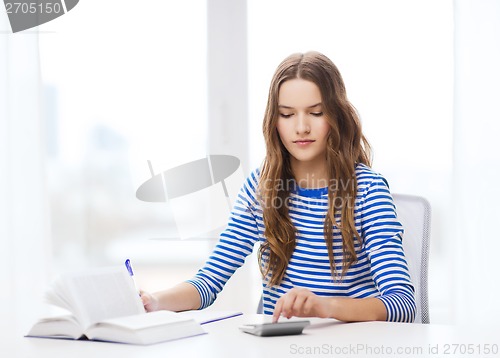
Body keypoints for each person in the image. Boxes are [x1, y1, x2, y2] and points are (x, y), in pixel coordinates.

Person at [141, 51, 416, 323]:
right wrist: (154, 302)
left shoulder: (367, 190)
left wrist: (325, 307)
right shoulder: (261, 188)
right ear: (274, 122)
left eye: (316, 113)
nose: (301, 127)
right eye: (287, 114)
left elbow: (402, 303)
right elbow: (208, 282)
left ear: (337, 117)